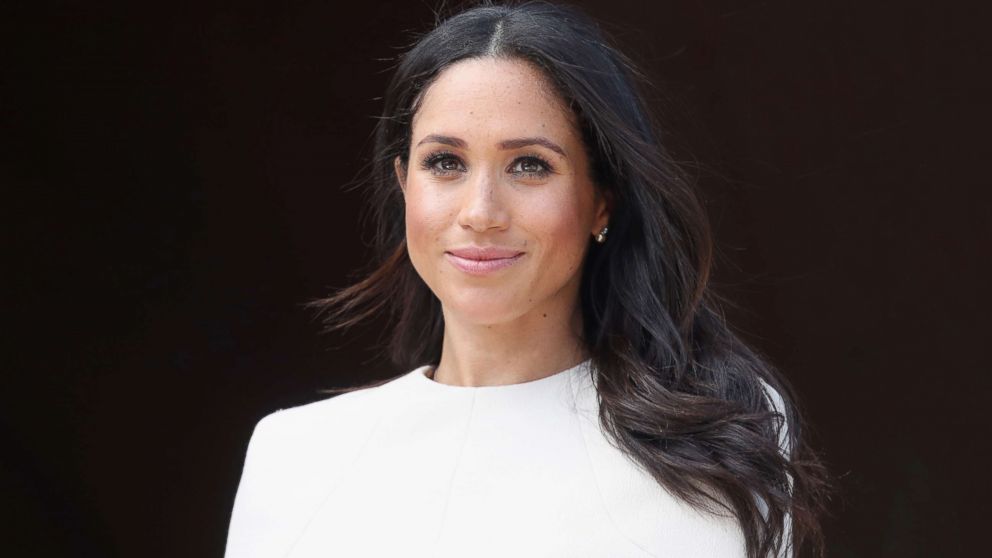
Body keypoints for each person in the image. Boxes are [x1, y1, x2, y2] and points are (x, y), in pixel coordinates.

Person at [223, 1, 832, 557]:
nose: (481, 211)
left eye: (529, 166)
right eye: (446, 163)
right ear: (404, 183)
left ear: (603, 201)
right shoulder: (294, 457)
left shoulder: (716, 449)